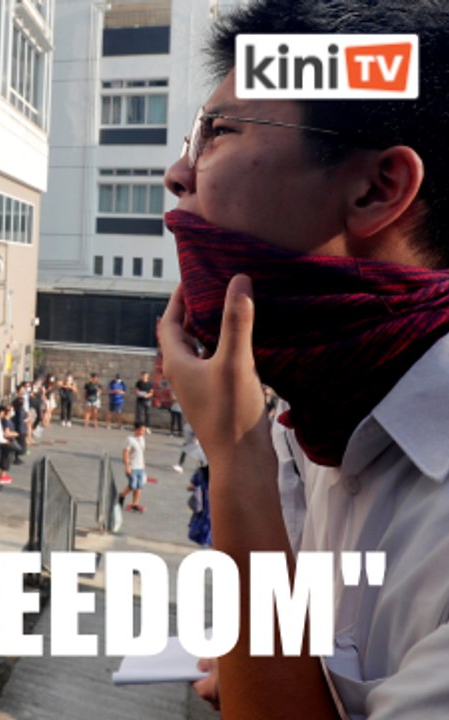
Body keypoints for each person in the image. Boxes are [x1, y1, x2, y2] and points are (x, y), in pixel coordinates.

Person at [158, 2, 449, 715]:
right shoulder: (316, 420)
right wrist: (260, 671)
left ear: (376, 189)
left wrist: (233, 456)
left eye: (218, 133)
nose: (177, 172)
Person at [118, 422, 147, 513]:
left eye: (144, 430)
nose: (143, 432)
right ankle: (121, 495)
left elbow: (141, 452)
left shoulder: (142, 439)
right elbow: (125, 452)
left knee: (139, 486)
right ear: (136, 430)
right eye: (141, 430)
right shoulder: (130, 439)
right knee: (132, 485)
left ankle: (135, 504)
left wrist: (143, 463)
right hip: (133, 466)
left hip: (140, 466)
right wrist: (127, 466)